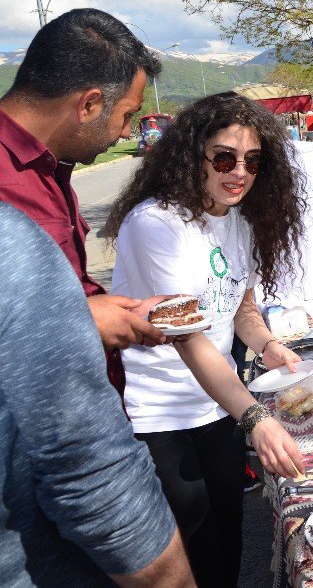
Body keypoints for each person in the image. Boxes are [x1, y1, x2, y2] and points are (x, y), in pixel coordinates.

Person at [105, 92, 307, 587]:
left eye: (253, 160)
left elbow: (241, 307)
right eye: (224, 157)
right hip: (158, 416)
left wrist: (266, 346)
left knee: (227, 540)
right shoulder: (157, 224)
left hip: (216, 406)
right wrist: (256, 417)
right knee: (186, 554)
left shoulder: (237, 219)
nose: (239, 171)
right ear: (192, 154)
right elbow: (190, 338)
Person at [0, 203, 195, 587]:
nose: (127, 137)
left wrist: (78, 316)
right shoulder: (11, 238)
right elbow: (89, 469)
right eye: (224, 159)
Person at [0, 8, 170, 396]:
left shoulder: (49, 170)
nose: (127, 132)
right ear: (89, 104)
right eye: (127, 115)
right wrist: (80, 320)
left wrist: (112, 311)